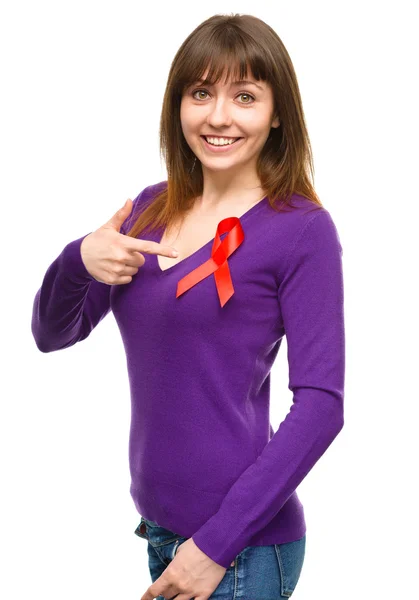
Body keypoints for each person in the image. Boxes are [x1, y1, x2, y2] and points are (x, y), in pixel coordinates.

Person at [31, 12, 345, 600]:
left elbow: (322, 407)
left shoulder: (302, 230)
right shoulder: (149, 210)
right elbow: (53, 334)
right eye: (201, 92)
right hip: (159, 532)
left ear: (277, 114)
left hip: (241, 549)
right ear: (178, 105)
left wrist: (213, 547)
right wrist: (79, 258)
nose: (218, 116)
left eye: (245, 96)